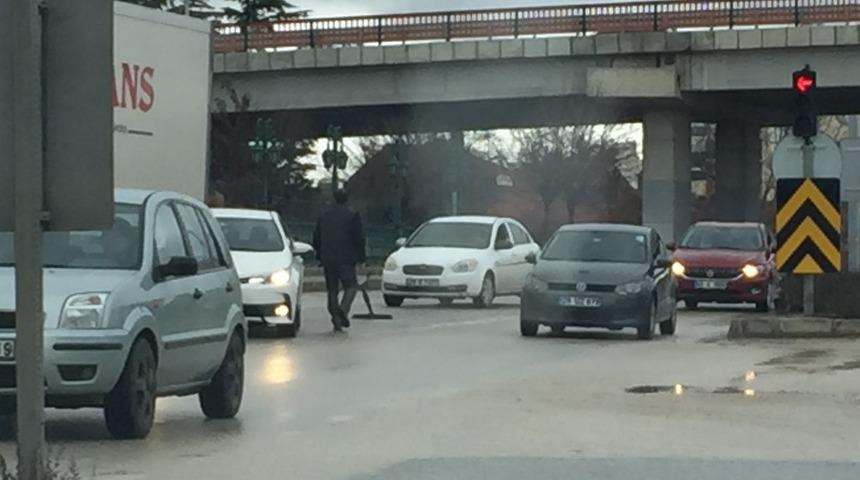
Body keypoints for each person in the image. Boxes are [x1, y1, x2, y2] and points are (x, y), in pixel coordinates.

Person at [313, 189, 367, 332]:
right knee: (351, 287)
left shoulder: (324, 216)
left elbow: (317, 238)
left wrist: (319, 255)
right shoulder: (352, 215)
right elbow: (358, 238)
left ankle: (336, 320)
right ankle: (343, 310)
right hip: (346, 258)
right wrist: (362, 258)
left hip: (328, 258)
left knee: (332, 290)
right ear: (347, 199)